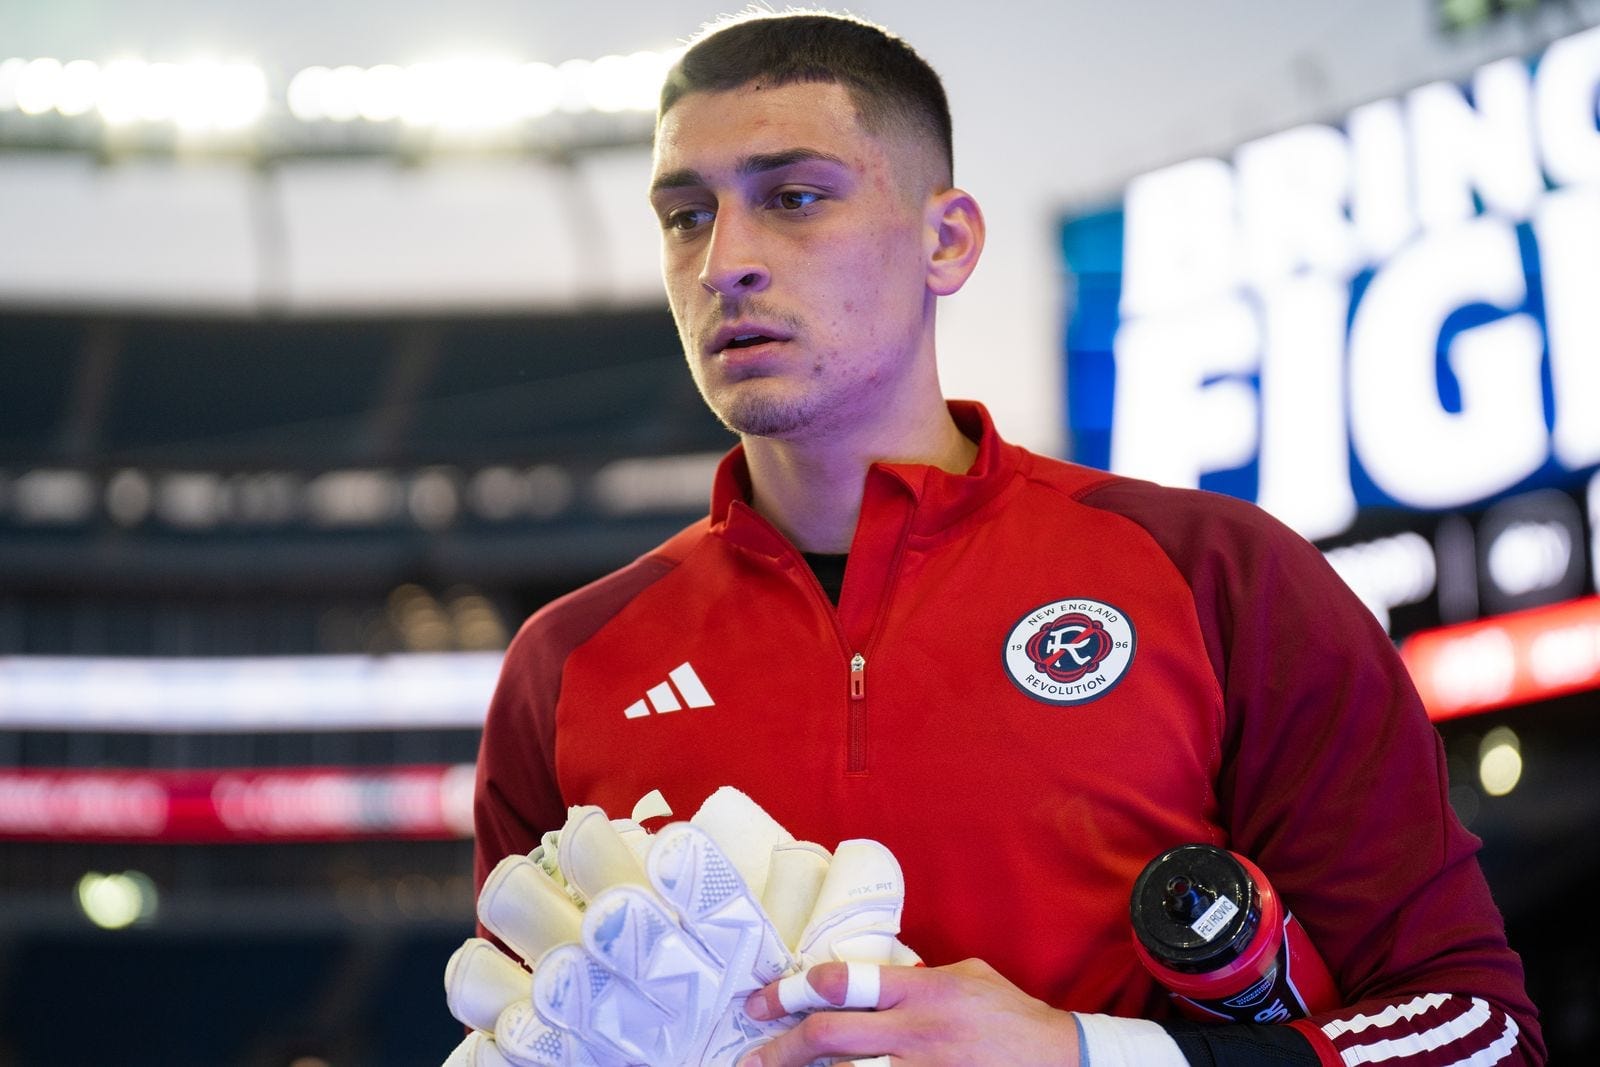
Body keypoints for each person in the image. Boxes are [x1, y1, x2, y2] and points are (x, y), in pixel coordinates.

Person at [472, 10, 1545, 1065]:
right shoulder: (564, 670)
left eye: (793, 198)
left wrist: (1086, 1054)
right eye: (685, 215)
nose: (722, 262)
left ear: (946, 240)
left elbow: (1476, 1030)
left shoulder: (1218, 573)